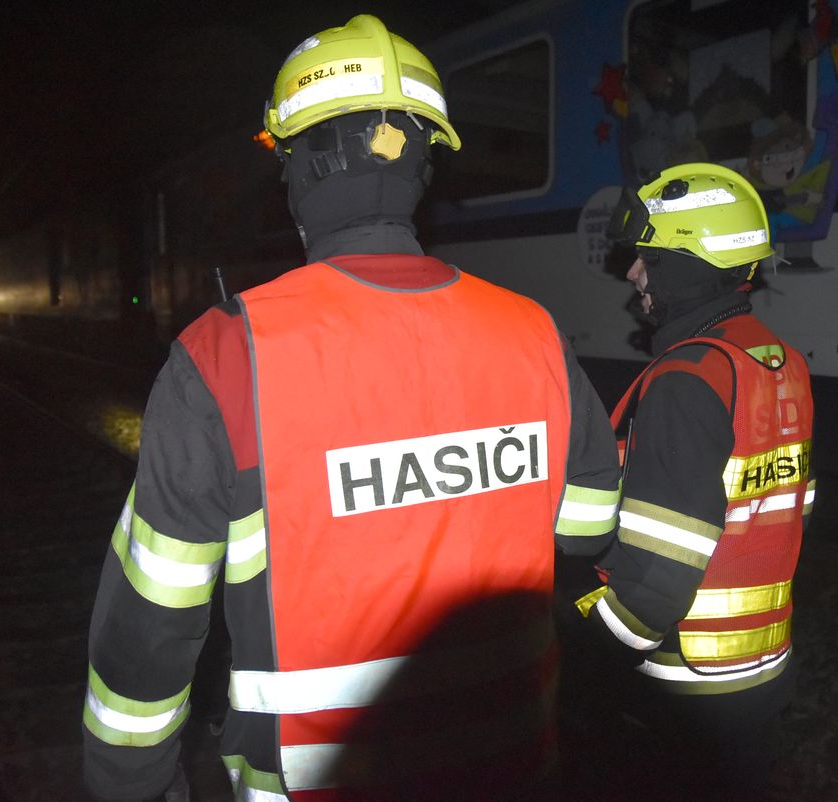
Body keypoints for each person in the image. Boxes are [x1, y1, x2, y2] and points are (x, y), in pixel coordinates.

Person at [82, 15, 621, 801]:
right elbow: (587, 527)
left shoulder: (226, 355)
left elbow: (154, 616)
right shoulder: (532, 331)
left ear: (301, 168)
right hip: (512, 760)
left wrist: (126, 779)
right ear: (424, 165)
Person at [568, 163, 816, 797]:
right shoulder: (779, 361)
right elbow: (786, 507)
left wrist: (586, 657)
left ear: (690, 264)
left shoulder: (689, 379)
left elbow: (659, 575)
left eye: (648, 258)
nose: (633, 273)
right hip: (760, 666)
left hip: (685, 686)